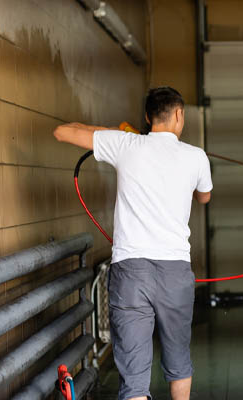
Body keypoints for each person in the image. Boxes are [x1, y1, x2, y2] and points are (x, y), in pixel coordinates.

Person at [54, 86, 212, 400]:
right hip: (175, 274)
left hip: (131, 274)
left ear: (146, 116)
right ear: (179, 115)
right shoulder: (196, 156)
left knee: (135, 378)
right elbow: (204, 197)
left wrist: (117, 134)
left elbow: (62, 132)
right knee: (179, 359)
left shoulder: (126, 144)